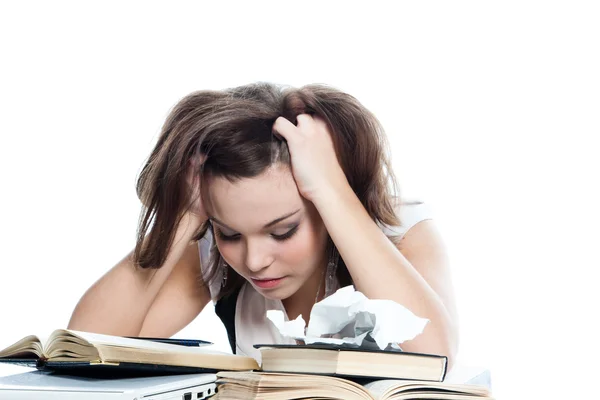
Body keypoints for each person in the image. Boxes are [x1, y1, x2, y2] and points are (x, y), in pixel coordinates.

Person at [67, 82, 459, 367]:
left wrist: (333, 190)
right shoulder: (213, 257)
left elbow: (434, 357)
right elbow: (85, 348)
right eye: (230, 233)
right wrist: (185, 214)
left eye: (283, 231)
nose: (254, 261)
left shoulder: (402, 232)